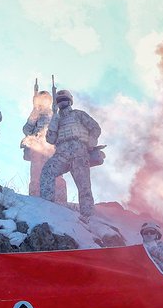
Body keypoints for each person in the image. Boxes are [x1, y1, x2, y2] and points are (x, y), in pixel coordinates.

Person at [39, 90, 102, 221]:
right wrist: (54, 119)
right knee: (47, 171)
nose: (62, 102)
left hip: (79, 153)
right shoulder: (56, 119)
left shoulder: (78, 114)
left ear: (70, 101)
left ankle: (88, 216)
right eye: (59, 101)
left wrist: (91, 142)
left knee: (84, 186)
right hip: (62, 154)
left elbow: (95, 128)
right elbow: (50, 139)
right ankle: (47, 205)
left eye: (64, 100)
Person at [20, 89, 66, 202]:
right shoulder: (35, 115)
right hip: (37, 148)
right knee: (36, 175)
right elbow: (26, 130)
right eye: (41, 99)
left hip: (52, 148)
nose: (43, 102)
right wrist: (34, 115)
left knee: (57, 175)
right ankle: (35, 199)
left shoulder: (56, 114)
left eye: (46, 99)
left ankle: (60, 200)